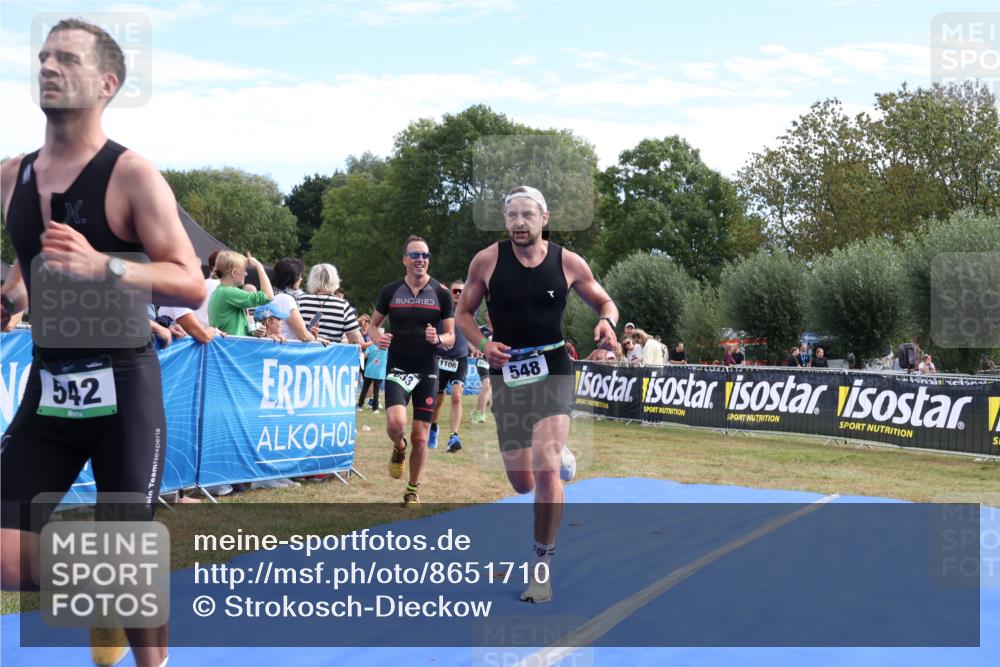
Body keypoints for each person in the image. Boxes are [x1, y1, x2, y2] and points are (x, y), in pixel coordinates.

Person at [0, 18, 206, 667]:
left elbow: (191, 282)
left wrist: (106, 266)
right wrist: (17, 291)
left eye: (67, 58)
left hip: (123, 390)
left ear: (108, 83)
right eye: (44, 56)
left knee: (125, 546)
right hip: (52, 389)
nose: (49, 66)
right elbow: (27, 264)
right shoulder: (13, 175)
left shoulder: (131, 174)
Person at [456, 185, 618, 604]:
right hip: (507, 371)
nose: (518, 222)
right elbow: (463, 314)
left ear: (544, 218)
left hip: (553, 367)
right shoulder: (487, 260)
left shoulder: (567, 261)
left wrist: (607, 322)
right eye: (511, 215)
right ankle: (558, 456)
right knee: (521, 482)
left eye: (527, 214)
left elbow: (604, 301)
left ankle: (541, 569)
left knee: (545, 468)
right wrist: (483, 342)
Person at [369, 236, 455, 506]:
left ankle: (412, 489)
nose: (421, 260)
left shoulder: (441, 293)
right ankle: (399, 446)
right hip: (398, 365)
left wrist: (438, 339)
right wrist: (376, 338)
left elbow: (452, 336)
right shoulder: (390, 291)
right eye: (415, 255)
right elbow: (373, 326)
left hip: (427, 369)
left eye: (425, 255)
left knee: (420, 435)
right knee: (396, 424)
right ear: (405, 259)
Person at [429, 279, 472, 453]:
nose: (458, 294)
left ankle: (454, 436)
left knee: (456, 397)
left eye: (461, 291)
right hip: (441, 358)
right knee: (437, 401)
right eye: (455, 291)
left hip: (459, 359)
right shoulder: (441, 309)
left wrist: (475, 347)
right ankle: (433, 428)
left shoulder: (469, 309)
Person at [208, 251, 274, 336]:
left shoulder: (220, 292)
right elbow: (268, 297)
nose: (246, 274)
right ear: (234, 273)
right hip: (232, 348)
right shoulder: (228, 292)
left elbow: (234, 326)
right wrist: (259, 266)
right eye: (244, 270)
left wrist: (254, 332)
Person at [298, 263, 363, 346]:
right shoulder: (343, 305)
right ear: (335, 280)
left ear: (312, 280)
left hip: (303, 355)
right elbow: (356, 341)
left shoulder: (300, 300)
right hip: (331, 357)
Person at [270, 257, 324, 343]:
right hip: (285, 350)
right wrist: (317, 339)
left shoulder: (271, 295)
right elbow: (303, 335)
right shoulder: (286, 299)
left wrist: (311, 335)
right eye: (301, 275)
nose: (302, 279)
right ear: (295, 277)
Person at [470, 319, 494, 424]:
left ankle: (476, 411)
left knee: (487, 389)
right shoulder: (480, 330)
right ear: (486, 316)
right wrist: (475, 349)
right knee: (486, 385)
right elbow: (469, 340)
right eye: (488, 314)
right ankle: (482, 415)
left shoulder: (501, 329)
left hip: (495, 361)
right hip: (482, 361)